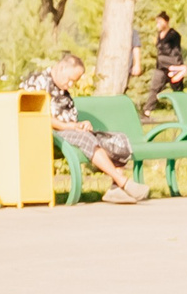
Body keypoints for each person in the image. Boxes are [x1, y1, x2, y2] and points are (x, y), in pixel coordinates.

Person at [22, 52, 147, 203]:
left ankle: (115, 189)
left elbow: (69, 115)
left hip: (69, 130)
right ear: (61, 68)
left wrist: (81, 124)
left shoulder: (62, 88)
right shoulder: (38, 82)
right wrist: (68, 126)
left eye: (74, 82)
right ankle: (122, 181)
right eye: (70, 80)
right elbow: (36, 115)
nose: (70, 85)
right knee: (85, 138)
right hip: (49, 133)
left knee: (115, 140)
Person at [140, 11, 187, 117]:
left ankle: (182, 112)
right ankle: (147, 110)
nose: (157, 24)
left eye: (159, 22)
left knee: (177, 89)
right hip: (161, 67)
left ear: (166, 22)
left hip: (173, 65)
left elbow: (175, 51)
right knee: (155, 88)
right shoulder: (159, 35)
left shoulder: (173, 35)